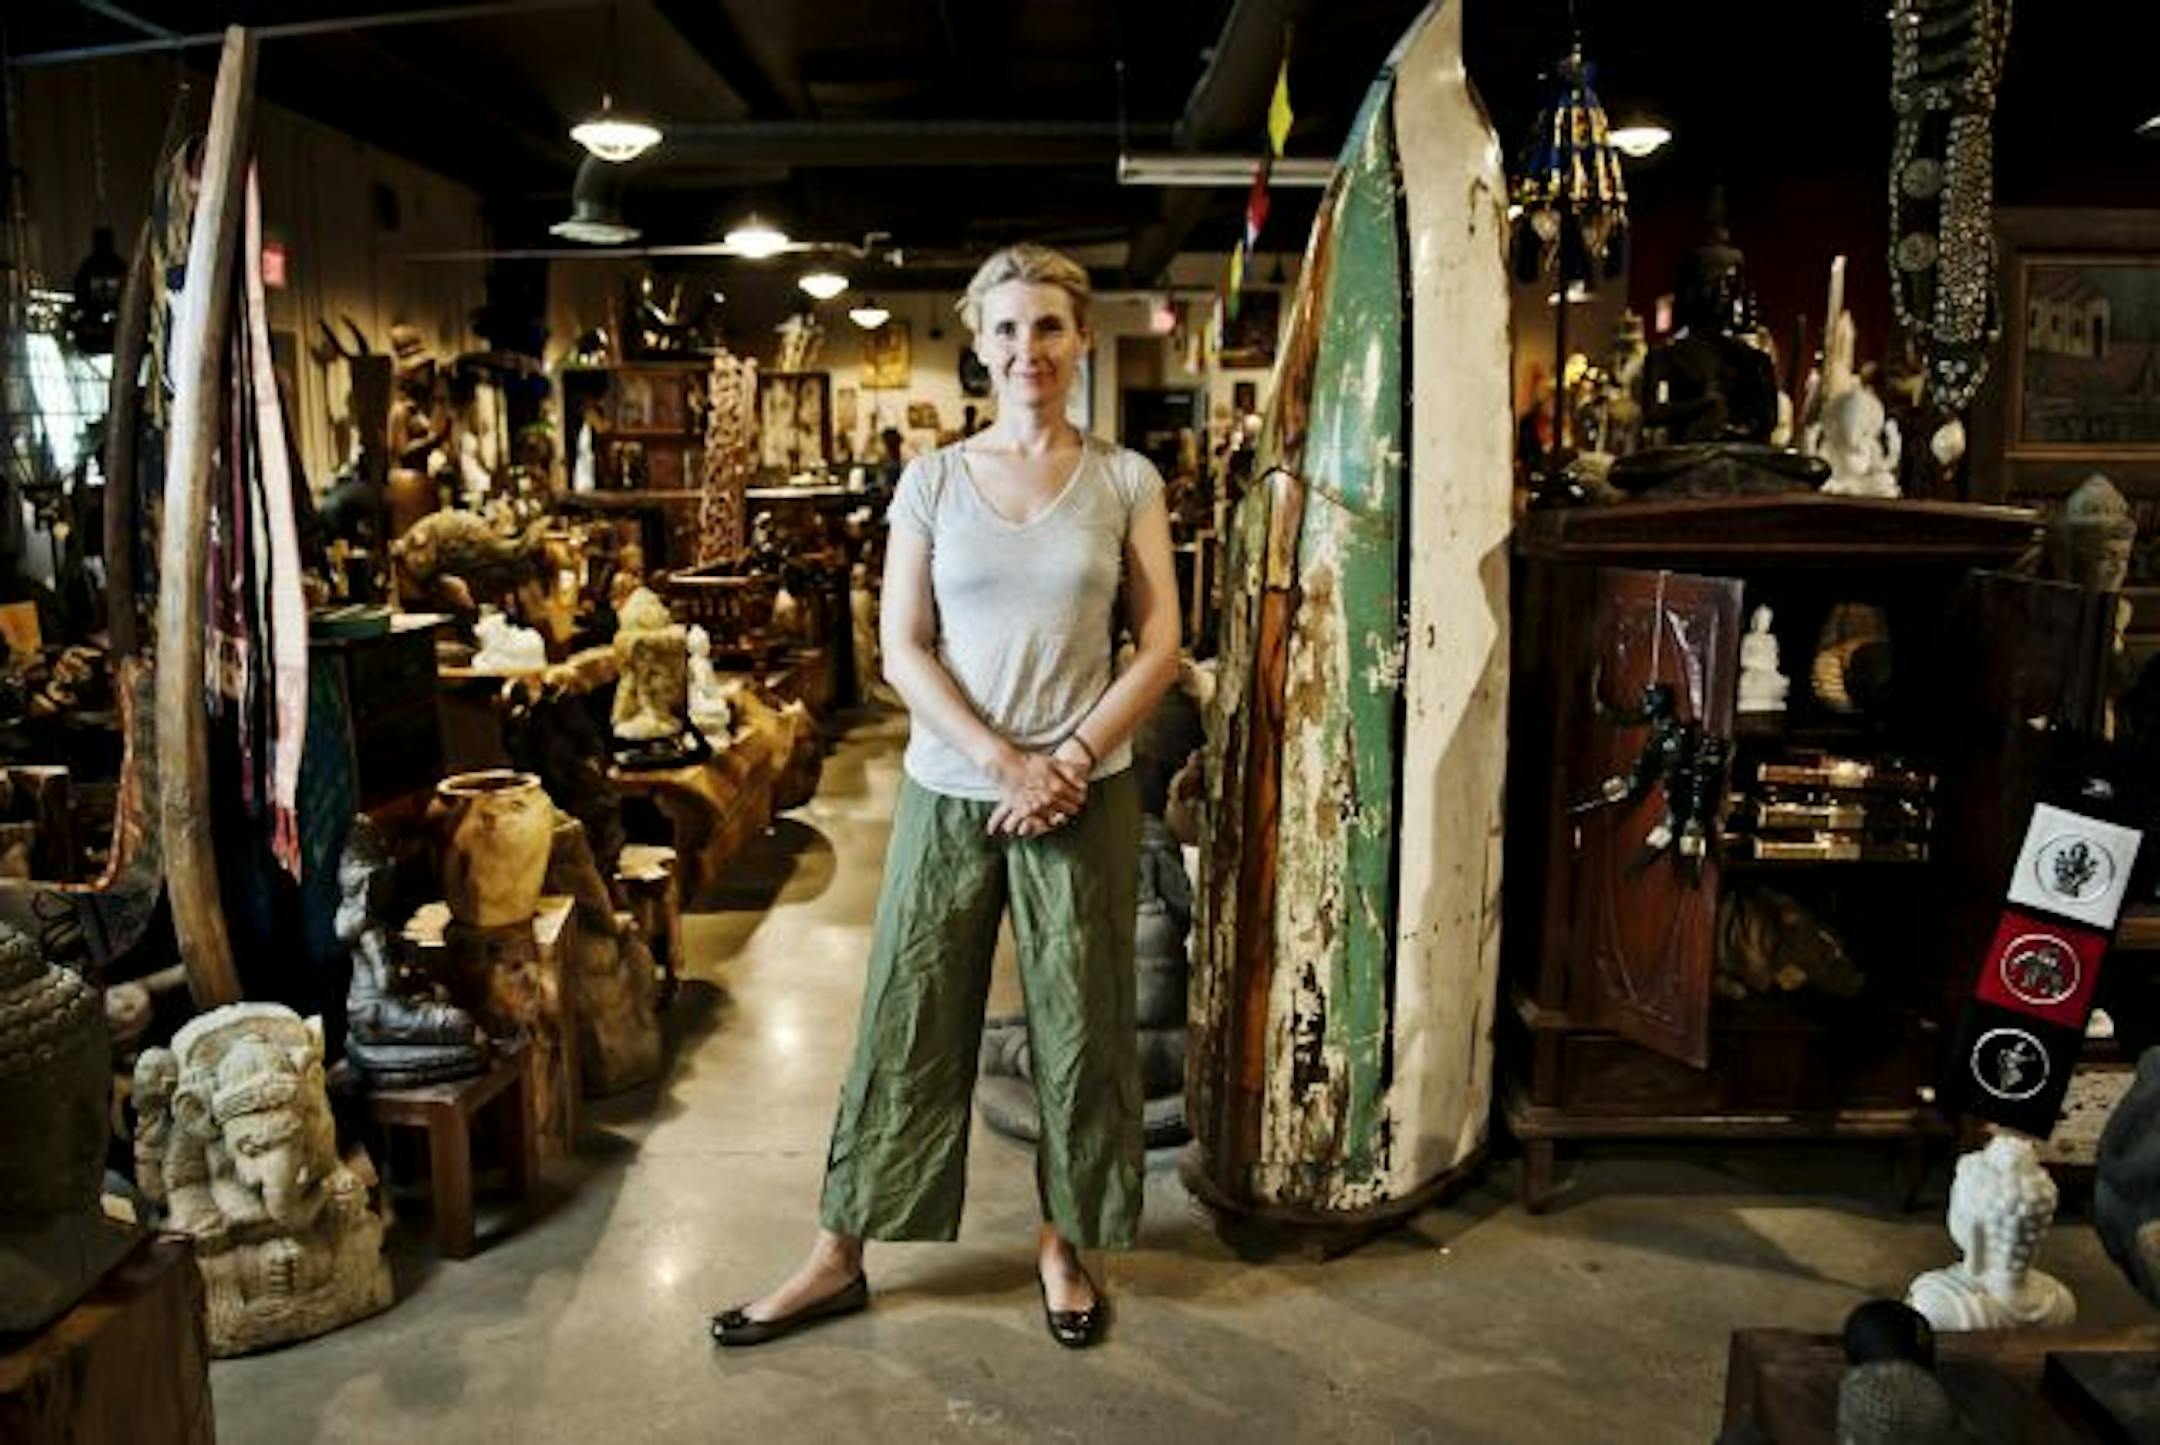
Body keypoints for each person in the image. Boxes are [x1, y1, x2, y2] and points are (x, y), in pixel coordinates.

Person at [710, 243, 1180, 1349]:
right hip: (950, 786)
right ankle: (838, 1252)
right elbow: (901, 645)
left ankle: (1064, 1242)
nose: (1030, 349)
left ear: (1082, 340)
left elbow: (1160, 642)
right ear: (980, 343)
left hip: (1087, 790)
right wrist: (1004, 760)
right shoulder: (933, 481)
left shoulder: (1125, 479)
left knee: (1082, 1019)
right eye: (1008, 329)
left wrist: (1065, 757)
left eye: (1050, 327)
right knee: (906, 1014)